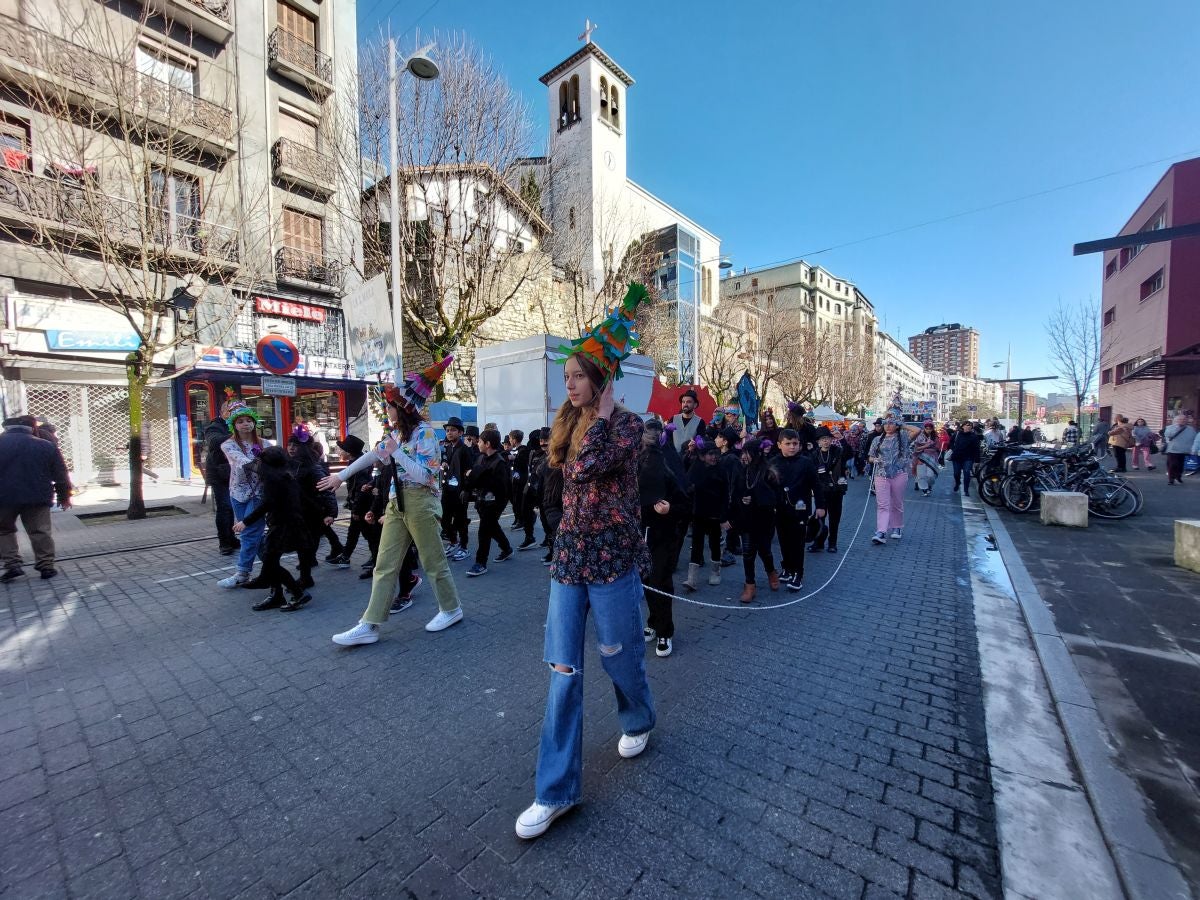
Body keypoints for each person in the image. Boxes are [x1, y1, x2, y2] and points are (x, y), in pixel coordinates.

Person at [517, 285, 655, 840]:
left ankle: (639, 718)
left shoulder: (626, 426)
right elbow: (556, 478)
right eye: (567, 376)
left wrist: (599, 416)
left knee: (618, 657)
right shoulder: (567, 425)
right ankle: (556, 792)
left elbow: (584, 468)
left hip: (614, 562)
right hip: (570, 563)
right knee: (563, 673)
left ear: (601, 379)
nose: (568, 384)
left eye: (577, 376)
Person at [323, 357, 464, 644]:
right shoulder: (394, 433)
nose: (386, 410)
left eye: (389, 405)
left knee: (432, 561)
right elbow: (372, 455)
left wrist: (397, 453)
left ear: (402, 407)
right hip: (396, 503)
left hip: (421, 502)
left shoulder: (425, 433)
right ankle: (370, 624)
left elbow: (426, 476)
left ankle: (451, 609)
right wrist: (341, 476)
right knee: (384, 564)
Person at [232, 446, 313, 612]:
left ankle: (297, 594)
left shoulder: (273, 480)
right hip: (289, 523)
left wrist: (245, 522)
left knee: (270, 561)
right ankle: (276, 594)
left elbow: (268, 504)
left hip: (283, 525)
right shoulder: (286, 476)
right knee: (271, 559)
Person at [0, 415, 72, 582]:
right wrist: (64, 496)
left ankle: (12, 564)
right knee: (40, 531)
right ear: (32, 428)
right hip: (37, 497)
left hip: (4, 498)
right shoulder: (45, 445)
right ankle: (46, 566)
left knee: (4, 530)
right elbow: (61, 474)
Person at [639, 419, 688, 658]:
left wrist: (670, 509)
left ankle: (665, 631)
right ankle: (653, 620)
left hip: (663, 533)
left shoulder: (669, 462)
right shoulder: (635, 461)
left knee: (660, 581)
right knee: (645, 581)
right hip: (639, 533)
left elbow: (685, 502)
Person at [218, 404, 266, 588]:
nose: (245, 424)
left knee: (250, 532)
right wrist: (264, 464)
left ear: (254, 423)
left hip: (259, 494)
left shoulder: (266, 444)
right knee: (254, 534)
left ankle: (242, 572)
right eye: (240, 421)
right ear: (234, 425)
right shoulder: (228, 444)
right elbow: (242, 461)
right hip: (237, 493)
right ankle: (271, 567)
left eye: (248, 420)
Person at [773, 428, 825, 591]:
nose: (792, 447)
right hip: (780, 509)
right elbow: (768, 485)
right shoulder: (773, 462)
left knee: (797, 542)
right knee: (783, 541)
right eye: (787, 444)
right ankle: (787, 568)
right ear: (779, 445)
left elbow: (816, 485)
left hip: (800, 509)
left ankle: (798, 573)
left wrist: (821, 506)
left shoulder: (806, 462)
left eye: (795, 443)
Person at [732, 438, 780, 603]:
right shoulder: (743, 471)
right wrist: (742, 500)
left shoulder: (769, 472)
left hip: (764, 519)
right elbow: (736, 492)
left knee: (764, 551)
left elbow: (774, 497)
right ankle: (749, 585)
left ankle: (771, 572)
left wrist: (755, 499)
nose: (744, 456)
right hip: (747, 519)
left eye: (747, 452)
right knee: (747, 554)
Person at [462, 428, 513, 577]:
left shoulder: (499, 462)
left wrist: (477, 475)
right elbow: (472, 477)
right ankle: (506, 548)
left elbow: (501, 488)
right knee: (492, 527)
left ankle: (480, 563)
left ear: (488, 444)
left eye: (480, 441)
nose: (478, 443)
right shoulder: (481, 458)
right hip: (481, 501)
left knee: (484, 531)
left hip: (494, 504)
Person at [867, 415, 919, 544]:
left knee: (897, 502)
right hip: (881, 474)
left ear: (896, 425)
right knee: (882, 504)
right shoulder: (877, 439)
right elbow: (870, 457)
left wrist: (902, 425)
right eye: (886, 424)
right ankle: (881, 531)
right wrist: (875, 460)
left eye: (891, 424)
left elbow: (917, 430)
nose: (888, 426)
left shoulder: (903, 438)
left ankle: (897, 527)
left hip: (899, 473)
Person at [683, 440, 727, 591]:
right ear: (702, 456)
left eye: (715, 454)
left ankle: (715, 571)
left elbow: (726, 494)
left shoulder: (721, 469)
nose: (714, 457)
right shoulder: (696, 468)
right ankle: (692, 578)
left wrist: (724, 515)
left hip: (715, 512)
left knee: (714, 543)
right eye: (710, 454)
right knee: (696, 543)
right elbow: (687, 484)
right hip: (699, 511)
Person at [329, 435, 376, 569]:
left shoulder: (358, 467)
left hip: (362, 506)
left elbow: (360, 490)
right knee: (354, 532)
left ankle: (375, 558)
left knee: (368, 533)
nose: (339, 451)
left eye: (341, 449)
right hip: (360, 505)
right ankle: (345, 557)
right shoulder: (356, 464)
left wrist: (356, 510)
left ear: (349, 453)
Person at [202, 410, 238, 555]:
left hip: (235, 472)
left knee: (231, 508)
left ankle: (231, 538)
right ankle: (224, 542)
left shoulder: (238, 424)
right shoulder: (215, 426)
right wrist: (237, 434)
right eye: (232, 410)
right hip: (220, 473)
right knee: (224, 507)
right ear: (224, 412)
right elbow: (213, 442)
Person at [807, 427, 845, 554]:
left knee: (835, 519)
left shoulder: (837, 451)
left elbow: (850, 453)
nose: (825, 442)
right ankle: (818, 543)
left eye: (828, 439)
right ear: (818, 442)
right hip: (821, 492)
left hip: (836, 490)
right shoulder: (814, 454)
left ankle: (832, 543)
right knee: (819, 518)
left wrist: (842, 439)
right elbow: (811, 473)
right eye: (823, 439)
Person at [440, 417, 472, 561]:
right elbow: (446, 461)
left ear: (460, 432)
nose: (449, 433)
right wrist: (445, 463)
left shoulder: (464, 449)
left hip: (460, 490)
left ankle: (464, 547)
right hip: (448, 488)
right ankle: (453, 542)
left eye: (453, 430)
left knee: (460, 519)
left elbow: (468, 471)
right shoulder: (447, 447)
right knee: (445, 517)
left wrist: (466, 490)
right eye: (447, 430)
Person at [519, 430, 546, 550]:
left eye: (545, 440)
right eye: (540, 440)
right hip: (529, 487)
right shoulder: (532, 453)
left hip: (542, 489)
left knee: (545, 516)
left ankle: (549, 539)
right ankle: (529, 537)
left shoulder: (549, 454)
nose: (542, 443)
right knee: (525, 511)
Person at [1162, 414, 1197, 485]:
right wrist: (1177, 428)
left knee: (1180, 465)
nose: (1182, 421)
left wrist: (1193, 449)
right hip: (1173, 449)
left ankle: (1178, 477)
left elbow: (1194, 439)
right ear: (1176, 420)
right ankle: (1171, 479)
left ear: (1186, 421)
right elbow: (1168, 435)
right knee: (1172, 464)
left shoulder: (1191, 429)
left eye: (1184, 419)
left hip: (1184, 450)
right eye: (1180, 419)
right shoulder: (1170, 427)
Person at [951, 420, 983, 496]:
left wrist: (977, 460)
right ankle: (957, 483)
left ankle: (966, 489)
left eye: (970, 425)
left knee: (967, 473)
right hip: (957, 457)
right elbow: (951, 442)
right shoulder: (957, 434)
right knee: (956, 473)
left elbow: (976, 448)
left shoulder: (974, 436)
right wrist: (953, 449)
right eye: (967, 425)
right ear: (963, 426)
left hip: (968, 457)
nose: (968, 427)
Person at [507, 429, 530, 530]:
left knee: (519, 501)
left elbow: (522, 463)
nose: (509, 440)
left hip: (521, 480)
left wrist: (514, 458)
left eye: (510, 438)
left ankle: (522, 521)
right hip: (514, 480)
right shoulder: (514, 450)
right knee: (514, 501)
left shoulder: (523, 450)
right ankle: (517, 518)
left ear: (515, 439)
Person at [912, 421, 941, 496]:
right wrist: (926, 446)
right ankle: (924, 489)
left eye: (930, 428)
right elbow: (916, 448)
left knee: (930, 475)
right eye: (926, 428)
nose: (928, 430)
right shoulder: (919, 437)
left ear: (932, 429)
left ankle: (929, 485)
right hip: (920, 457)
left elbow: (938, 447)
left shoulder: (935, 437)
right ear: (924, 428)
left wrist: (929, 447)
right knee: (921, 475)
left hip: (931, 458)